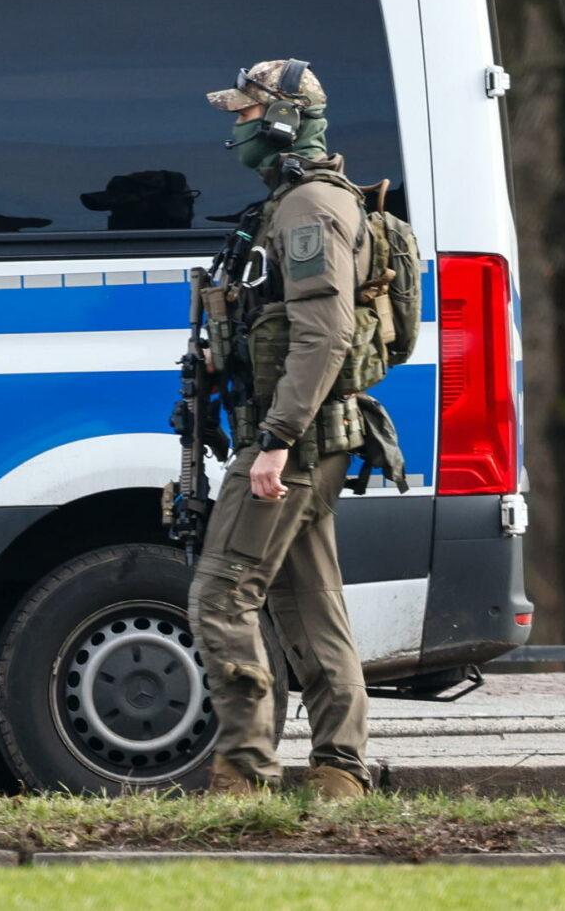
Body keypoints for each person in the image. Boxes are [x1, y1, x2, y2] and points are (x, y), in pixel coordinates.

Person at [188, 58, 371, 801]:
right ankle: (339, 775)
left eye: (245, 113)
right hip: (308, 438)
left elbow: (324, 334)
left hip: (291, 443)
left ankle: (244, 772)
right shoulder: (302, 203)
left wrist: (276, 442)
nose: (237, 127)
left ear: (284, 119)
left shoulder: (308, 211)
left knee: (220, 596)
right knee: (307, 601)